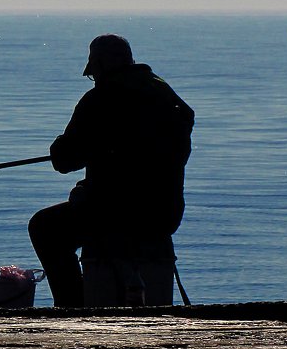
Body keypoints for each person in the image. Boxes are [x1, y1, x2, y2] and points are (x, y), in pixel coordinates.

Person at [28, 34, 194, 307]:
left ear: (101, 65)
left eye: (94, 72)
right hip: (165, 214)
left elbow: (65, 159)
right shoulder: (165, 93)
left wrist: (66, 156)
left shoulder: (101, 98)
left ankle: (72, 307)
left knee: (44, 227)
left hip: (116, 213)